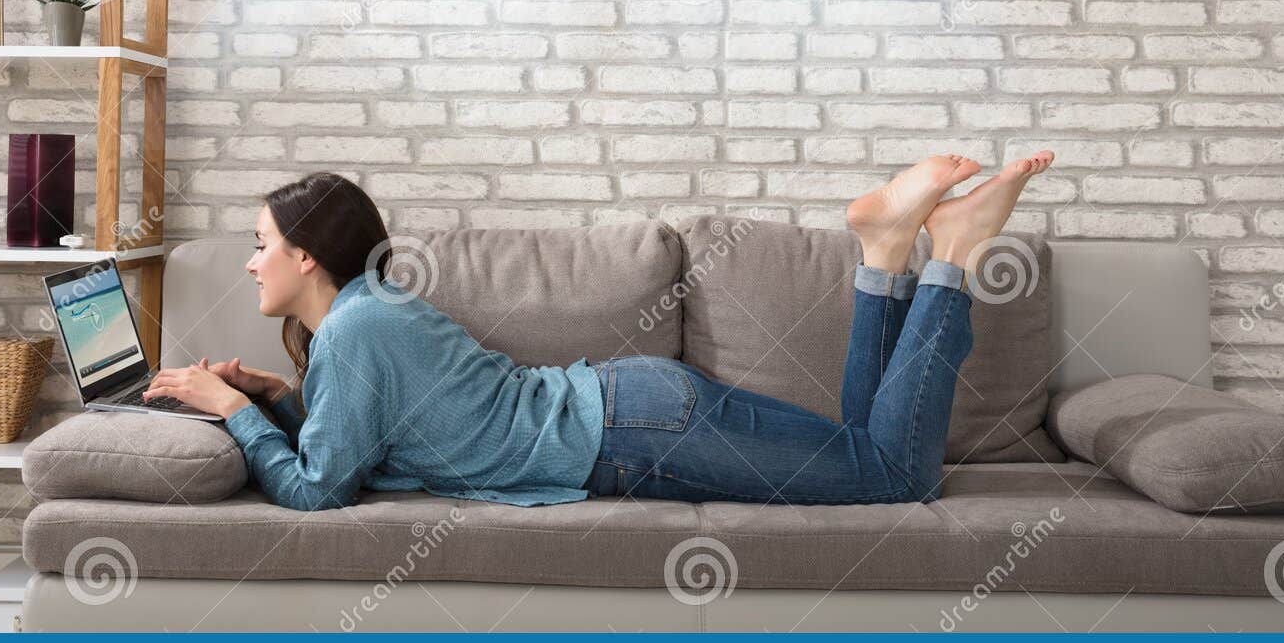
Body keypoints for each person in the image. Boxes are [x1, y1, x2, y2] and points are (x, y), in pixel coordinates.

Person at [144, 151, 1055, 511]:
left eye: (259, 245)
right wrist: (274, 395)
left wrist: (230, 406)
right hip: (634, 409)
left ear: (308, 257)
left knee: (896, 475)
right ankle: (887, 252)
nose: (248, 263)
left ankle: (952, 258)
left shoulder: (357, 331)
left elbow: (317, 492)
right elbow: (361, 424)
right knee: (870, 455)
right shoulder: (364, 320)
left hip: (634, 431)